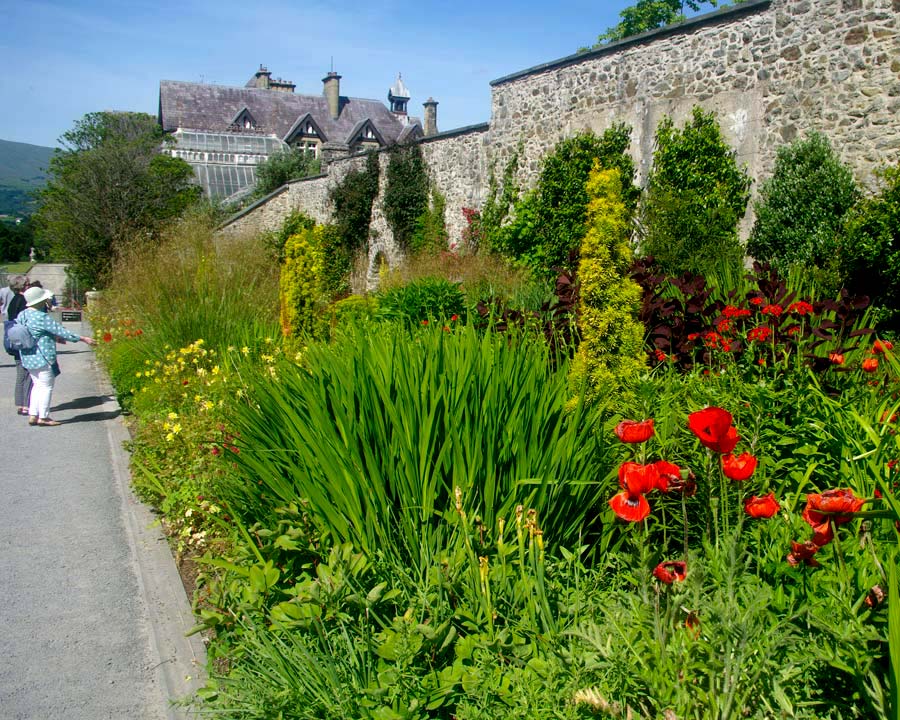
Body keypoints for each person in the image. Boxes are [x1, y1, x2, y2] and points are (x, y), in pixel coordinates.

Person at [17, 286, 95, 426]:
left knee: (36, 385)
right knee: (46, 386)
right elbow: (62, 332)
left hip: (27, 356)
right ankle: (44, 417)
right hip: (43, 356)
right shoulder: (42, 317)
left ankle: (33, 414)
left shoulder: (22, 315)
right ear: (40, 300)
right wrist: (84, 339)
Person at [5, 275, 31, 415]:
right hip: (23, 339)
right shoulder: (24, 301)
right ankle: (26, 404)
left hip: (13, 338)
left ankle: (20, 403)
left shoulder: (13, 301)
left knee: (20, 373)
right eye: (28, 284)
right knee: (27, 373)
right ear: (23, 286)